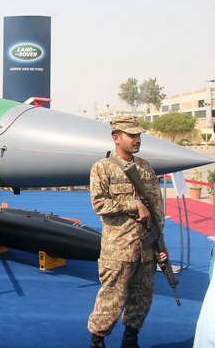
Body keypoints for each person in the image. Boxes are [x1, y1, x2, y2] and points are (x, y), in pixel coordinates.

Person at [87, 115, 168, 348]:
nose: (137, 139)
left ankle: (130, 340)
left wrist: (160, 245)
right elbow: (99, 204)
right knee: (111, 299)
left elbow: (157, 209)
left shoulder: (144, 167)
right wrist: (132, 205)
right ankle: (97, 341)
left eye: (138, 135)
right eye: (131, 135)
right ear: (116, 137)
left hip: (146, 249)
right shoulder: (102, 168)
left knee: (142, 299)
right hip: (119, 249)